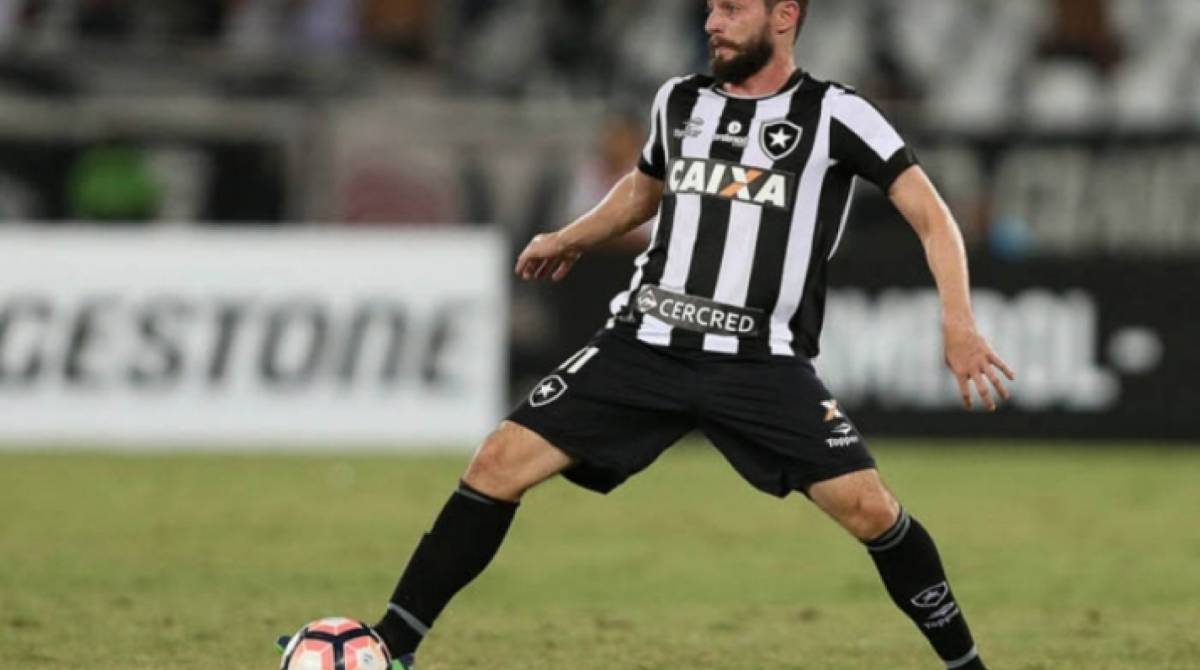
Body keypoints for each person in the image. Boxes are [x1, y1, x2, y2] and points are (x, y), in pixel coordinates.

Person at [363, 2, 1015, 668]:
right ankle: (389, 646)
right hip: (646, 341)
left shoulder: (837, 114)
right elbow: (642, 192)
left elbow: (932, 216)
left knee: (870, 510)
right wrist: (570, 237)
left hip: (758, 360)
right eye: (710, 8)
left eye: (732, 8)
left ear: (784, 15)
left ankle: (967, 666)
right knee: (497, 463)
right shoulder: (679, 100)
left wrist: (958, 320)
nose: (712, 22)